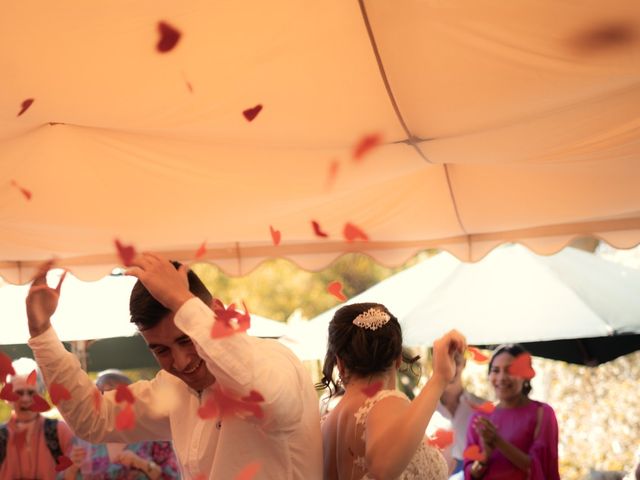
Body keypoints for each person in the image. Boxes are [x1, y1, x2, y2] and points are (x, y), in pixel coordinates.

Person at [25, 256, 322, 479]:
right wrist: (42, 333)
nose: (181, 362)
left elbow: (265, 399)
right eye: (160, 349)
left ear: (215, 313)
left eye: (187, 339)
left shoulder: (274, 359)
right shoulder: (173, 387)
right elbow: (94, 419)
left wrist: (182, 302)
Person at [318, 302, 466, 480]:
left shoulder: (325, 426)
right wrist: (439, 378)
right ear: (398, 360)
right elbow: (384, 468)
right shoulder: (384, 401)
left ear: (340, 364)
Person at [463, 344, 560, 480]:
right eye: (496, 370)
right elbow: (470, 473)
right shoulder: (479, 417)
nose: (502, 377)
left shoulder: (542, 413)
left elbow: (540, 468)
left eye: (510, 370)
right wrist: (484, 456)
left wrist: (497, 441)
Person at [67, 369, 180, 479]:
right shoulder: (85, 437)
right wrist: (72, 468)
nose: (107, 404)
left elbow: (172, 476)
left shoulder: (154, 435)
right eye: (100, 396)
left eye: (115, 397)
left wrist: (141, 464)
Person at [0, 358, 75, 480]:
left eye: (31, 393)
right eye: (19, 393)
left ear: (41, 394)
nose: (25, 399)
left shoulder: (60, 432)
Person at [436, 353, 485, 477]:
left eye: (456, 361)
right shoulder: (422, 410)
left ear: (464, 363)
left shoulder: (482, 408)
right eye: (446, 361)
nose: (451, 367)